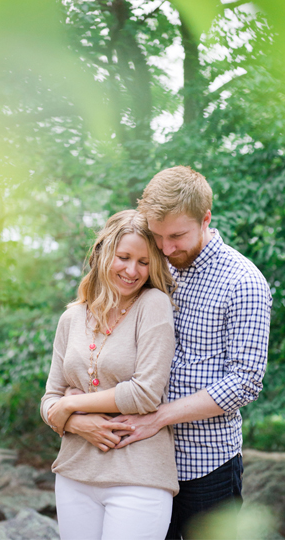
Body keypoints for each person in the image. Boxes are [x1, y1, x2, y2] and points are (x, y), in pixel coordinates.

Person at [68, 166, 272, 539]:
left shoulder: (243, 282)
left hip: (206, 466)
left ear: (206, 218)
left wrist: (160, 417)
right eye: (158, 237)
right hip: (139, 467)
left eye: (177, 236)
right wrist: (71, 413)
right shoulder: (152, 266)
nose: (166, 248)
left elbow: (245, 382)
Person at [41, 209, 178, 540]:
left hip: (138, 478)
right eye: (124, 257)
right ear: (103, 253)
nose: (132, 270)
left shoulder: (153, 305)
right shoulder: (72, 318)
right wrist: (74, 420)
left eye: (144, 262)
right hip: (74, 474)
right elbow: (50, 400)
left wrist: (73, 405)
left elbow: (144, 394)